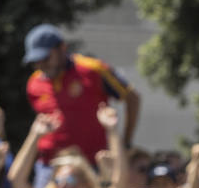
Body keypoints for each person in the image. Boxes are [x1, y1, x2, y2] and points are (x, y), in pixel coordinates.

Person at [22, 23, 140, 161]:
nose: (41, 65)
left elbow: (132, 98)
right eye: (35, 61)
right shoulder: (33, 83)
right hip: (50, 164)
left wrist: (126, 142)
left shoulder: (92, 69)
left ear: (62, 48)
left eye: (46, 58)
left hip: (94, 161)